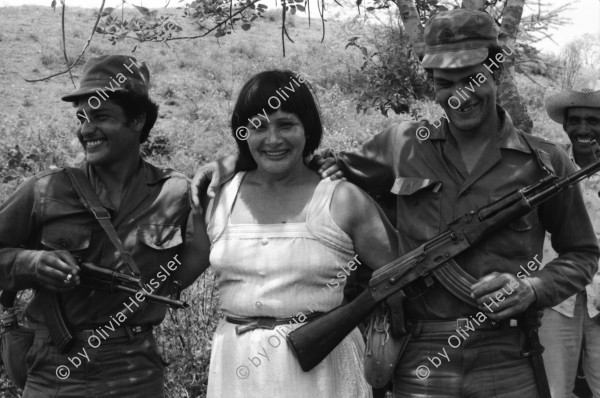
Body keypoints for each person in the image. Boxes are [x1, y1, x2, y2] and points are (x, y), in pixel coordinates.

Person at [191, 10, 599, 398]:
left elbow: (582, 253)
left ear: (495, 70)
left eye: (471, 78)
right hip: (421, 355)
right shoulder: (401, 144)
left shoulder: (546, 163)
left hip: (509, 351)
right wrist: (233, 160)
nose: (459, 95)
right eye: (444, 82)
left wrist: (532, 288)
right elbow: (307, 161)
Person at [0, 55, 208, 397]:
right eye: (81, 118)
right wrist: (31, 264)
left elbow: (216, 243)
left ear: (138, 120)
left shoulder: (177, 194)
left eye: (101, 117)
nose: (86, 129)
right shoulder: (45, 190)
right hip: (55, 366)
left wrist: (323, 167)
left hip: (135, 368)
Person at [201, 70, 399, 398]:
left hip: (325, 369)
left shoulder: (342, 198)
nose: (273, 139)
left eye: (286, 124)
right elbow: (172, 275)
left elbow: (404, 275)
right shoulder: (218, 197)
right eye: (259, 126)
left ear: (308, 129)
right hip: (236, 367)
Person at [539, 80, 600, 397]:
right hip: (557, 297)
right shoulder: (548, 165)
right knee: (554, 390)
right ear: (565, 124)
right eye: (575, 120)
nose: (583, 128)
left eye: (593, 120)